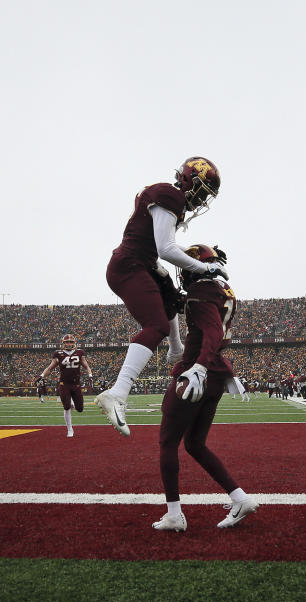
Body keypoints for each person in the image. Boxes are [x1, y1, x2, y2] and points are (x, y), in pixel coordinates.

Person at [95, 157, 225, 436]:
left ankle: (175, 349)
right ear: (190, 181)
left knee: (172, 297)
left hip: (139, 263)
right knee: (156, 327)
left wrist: (162, 274)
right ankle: (117, 393)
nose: (202, 200)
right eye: (202, 191)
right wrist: (205, 267)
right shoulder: (170, 195)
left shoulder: (167, 197)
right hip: (130, 265)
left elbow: (156, 248)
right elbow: (166, 248)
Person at [153, 244, 257, 531]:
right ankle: (240, 497)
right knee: (195, 444)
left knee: (167, 442)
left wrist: (197, 366)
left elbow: (212, 331)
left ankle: (174, 513)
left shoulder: (201, 291)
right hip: (216, 374)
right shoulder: (222, 289)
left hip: (197, 373)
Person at [39, 334, 93, 438]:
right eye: (67, 342)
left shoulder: (80, 352)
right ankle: (70, 429)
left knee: (80, 409)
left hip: (76, 384)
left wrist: (90, 375)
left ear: (74, 343)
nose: (69, 344)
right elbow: (50, 368)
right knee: (67, 407)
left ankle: (71, 401)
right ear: (63, 343)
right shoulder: (58, 353)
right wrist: (41, 376)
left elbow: (86, 366)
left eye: (71, 342)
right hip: (64, 384)